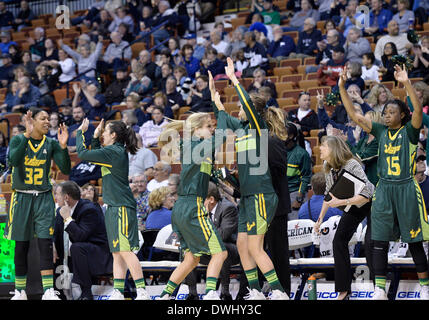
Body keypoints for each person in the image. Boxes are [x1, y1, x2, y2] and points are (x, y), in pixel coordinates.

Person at [338, 64, 429, 300]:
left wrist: (406, 83)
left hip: (406, 188)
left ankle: (425, 287)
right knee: (377, 239)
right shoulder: (379, 131)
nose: (386, 115)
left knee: (415, 241)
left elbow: (418, 112)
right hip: (384, 189)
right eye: (385, 112)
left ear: (401, 115)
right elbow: (354, 116)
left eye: (391, 112)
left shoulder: (409, 131)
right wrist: (342, 87)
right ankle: (380, 288)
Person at [216, 59, 289, 300]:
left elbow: (246, 102)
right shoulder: (242, 129)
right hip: (247, 196)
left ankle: (279, 291)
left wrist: (235, 80)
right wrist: (216, 100)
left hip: (261, 195)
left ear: (251, 111)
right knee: (242, 246)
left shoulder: (259, 129)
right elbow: (225, 119)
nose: (238, 110)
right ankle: (255, 290)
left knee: (256, 247)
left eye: (241, 107)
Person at [155, 86, 228, 300]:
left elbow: (209, 174)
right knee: (220, 253)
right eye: (208, 126)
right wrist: (220, 109)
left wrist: (224, 181)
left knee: (192, 259)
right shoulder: (196, 144)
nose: (212, 130)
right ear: (197, 129)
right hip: (192, 206)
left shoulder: (198, 148)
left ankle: (165, 295)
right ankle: (212, 294)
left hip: (182, 207)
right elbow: (222, 135)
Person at [76, 118, 151, 300]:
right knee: (117, 252)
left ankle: (142, 291)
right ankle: (118, 291)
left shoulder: (114, 152)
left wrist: (80, 133)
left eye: (105, 131)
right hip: (113, 207)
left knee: (125, 251)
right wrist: (94, 137)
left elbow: (83, 154)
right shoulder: (111, 152)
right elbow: (97, 154)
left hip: (121, 208)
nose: (102, 134)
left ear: (113, 135)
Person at [6, 108, 71, 300]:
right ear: (31, 121)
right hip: (22, 197)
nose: (47, 122)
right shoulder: (19, 139)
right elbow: (14, 161)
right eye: (43, 119)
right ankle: (20, 291)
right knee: (21, 245)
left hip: (43, 197)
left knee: (45, 243)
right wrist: (26, 134)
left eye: (48, 119)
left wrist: (63, 146)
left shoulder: (51, 143)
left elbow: (66, 168)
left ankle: (48, 291)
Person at [314, 135, 375, 300]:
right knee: (338, 240)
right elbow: (329, 195)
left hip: (371, 205)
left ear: (333, 149)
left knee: (370, 243)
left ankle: (379, 288)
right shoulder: (328, 166)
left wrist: (342, 201)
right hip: (353, 205)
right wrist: (319, 220)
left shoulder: (352, 164)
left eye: (323, 146)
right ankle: (344, 290)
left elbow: (367, 195)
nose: (320, 148)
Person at [184, 182, 243, 301]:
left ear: (211, 199)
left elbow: (223, 235)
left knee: (221, 248)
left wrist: (204, 219)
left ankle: (225, 293)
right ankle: (192, 294)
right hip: (207, 249)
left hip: (232, 250)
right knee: (187, 249)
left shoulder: (228, 208)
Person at [54, 181, 112, 300]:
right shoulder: (61, 210)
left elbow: (80, 237)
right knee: (50, 250)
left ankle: (86, 293)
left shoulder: (89, 209)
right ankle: (56, 293)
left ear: (66, 197)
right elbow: (57, 235)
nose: (55, 197)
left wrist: (68, 218)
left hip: (97, 254)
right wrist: (53, 245)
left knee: (77, 247)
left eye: (57, 194)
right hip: (73, 254)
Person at [285, 122, 312, 220]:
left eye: (282, 133)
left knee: (294, 228)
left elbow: (305, 178)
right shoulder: (278, 150)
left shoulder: (302, 154)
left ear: (291, 136)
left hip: (294, 194)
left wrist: (299, 199)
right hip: (281, 194)